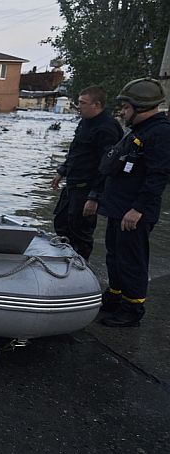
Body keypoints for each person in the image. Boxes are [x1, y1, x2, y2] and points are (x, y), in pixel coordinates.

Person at [97, 78, 170, 327]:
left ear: (141, 107)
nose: (123, 112)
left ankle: (132, 308)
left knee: (131, 260)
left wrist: (138, 209)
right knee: (115, 255)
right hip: (120, 207)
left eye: (126, 108)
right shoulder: (140, 131)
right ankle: (115, 297)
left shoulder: (160, 133)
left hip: (133, 212)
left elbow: (158, 175)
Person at [50, 86, 123, 261]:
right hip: (73, 184)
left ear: (96, 105)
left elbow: (108, 166)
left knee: (80, 232)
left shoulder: (107, 128)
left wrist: (94, 197)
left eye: (82, 103)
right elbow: (77, 152)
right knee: (61, 223)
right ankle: (63, 260)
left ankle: (80, 266)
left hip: (88, 188)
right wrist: (62, 171)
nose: (78, 107)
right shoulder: (85, 122)